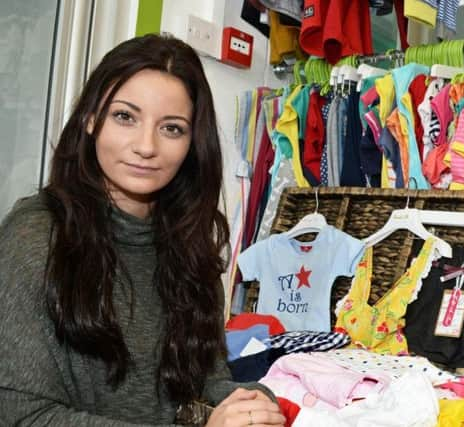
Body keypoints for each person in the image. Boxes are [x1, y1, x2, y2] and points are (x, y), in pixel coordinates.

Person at [0, 34, 285, 427]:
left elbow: (206, 381)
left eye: (171, 128)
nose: (146, 146)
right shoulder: (35, 239)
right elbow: (19, 415)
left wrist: (253, 401)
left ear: (191, 144)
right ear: (91, 120)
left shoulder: (187, 245)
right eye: (125, 117)